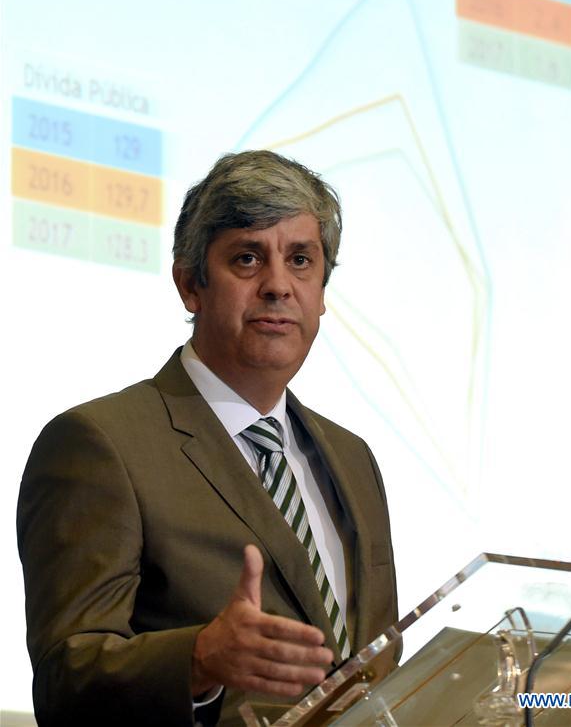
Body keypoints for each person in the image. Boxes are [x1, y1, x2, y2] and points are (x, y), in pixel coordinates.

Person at [17, 150, 398, 727]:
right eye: (247, 258)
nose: (278, 286)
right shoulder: (100, 445)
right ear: (189, 285)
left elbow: (377, 665)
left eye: (301, 260)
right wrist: (197, 660)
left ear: (322, 291)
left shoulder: (352, 458)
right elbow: (64, 683)